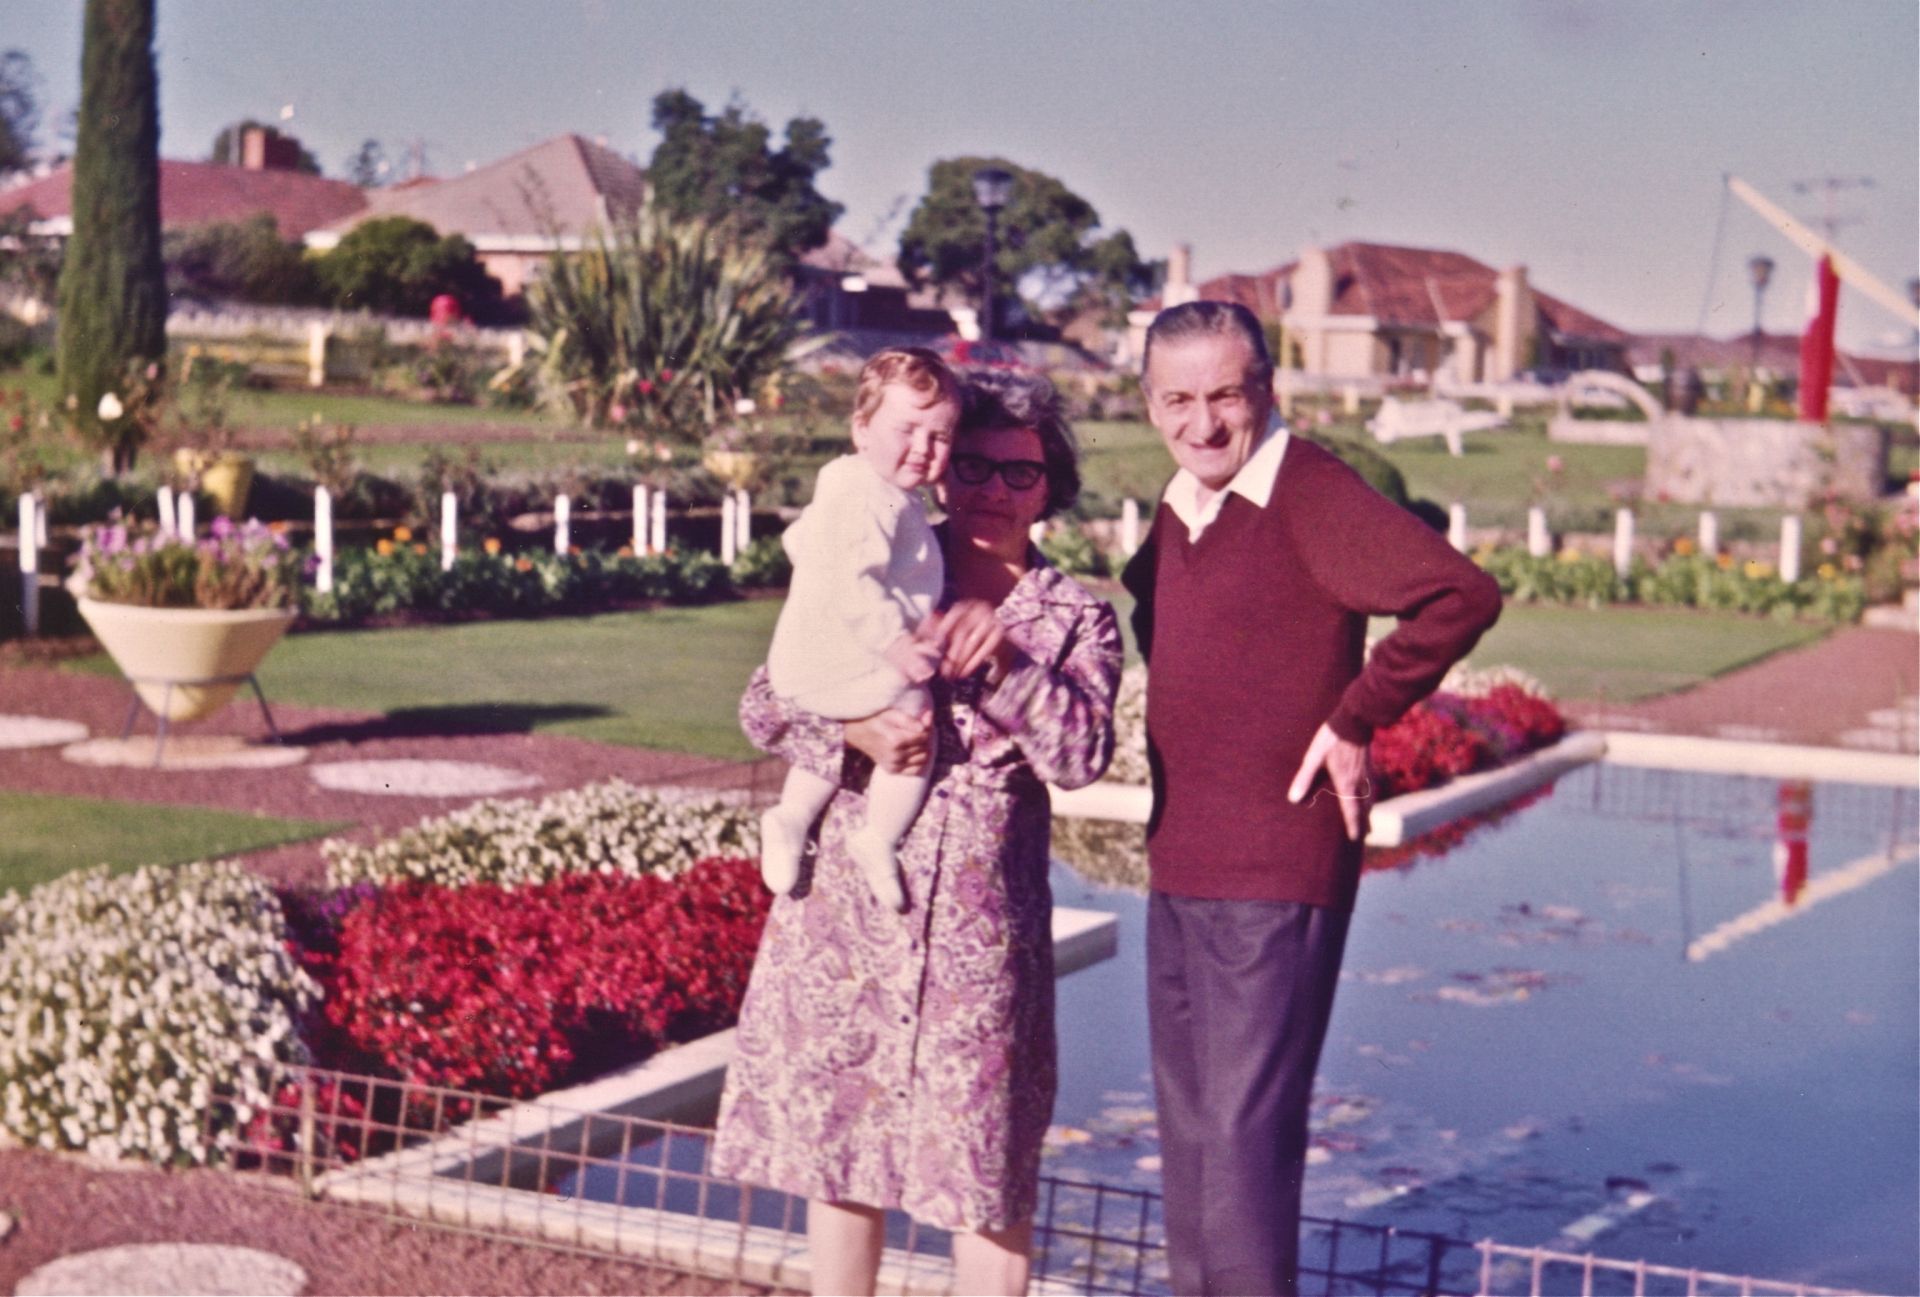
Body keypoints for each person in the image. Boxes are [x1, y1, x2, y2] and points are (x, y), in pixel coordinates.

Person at [711, 368, 1123, 1297]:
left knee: (983, 1173)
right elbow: (766, 699)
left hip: (978, 944)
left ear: (1049, 487)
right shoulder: (878, 556)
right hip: (850, 924)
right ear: (942, 471)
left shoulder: (1074, 617)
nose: (991, 488)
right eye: (971, 464)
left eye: (1018, 473)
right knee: (840, 1152)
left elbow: (1081, 755)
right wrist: (849, 726)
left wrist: (1009, 664)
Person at [1120, 301, 1502, 1296]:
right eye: (1177, 400)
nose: (1202, 422)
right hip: (1183, 853)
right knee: (1194, 1134)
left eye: (1224, 396)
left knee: (1243, 1147)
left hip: (1274, 865)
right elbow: (1159, 603)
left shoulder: (1306, 487)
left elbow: (1459, 594)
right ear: (1149, 403)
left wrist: (1353, 716)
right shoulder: (1183, 500)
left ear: (1267, 392)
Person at [761, 347, 960, 910]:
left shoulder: (855, 485)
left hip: (812, 661)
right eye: (908, 430)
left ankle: (791, 815)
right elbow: (851, 577)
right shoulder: (872, 495)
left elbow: (802, 542)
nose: (923, 449)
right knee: (916, 716)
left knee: (846, 723)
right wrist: (897, 642)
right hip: (848, 655)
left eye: (940, 437)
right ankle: (879, 835)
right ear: (862, 429)